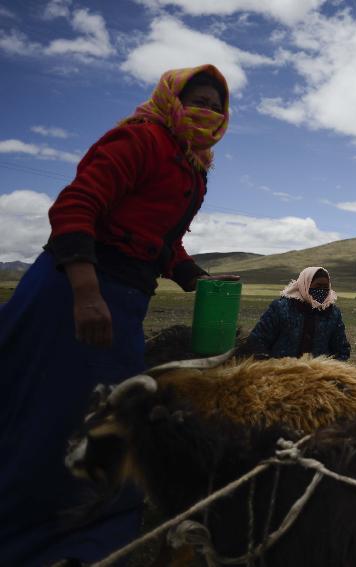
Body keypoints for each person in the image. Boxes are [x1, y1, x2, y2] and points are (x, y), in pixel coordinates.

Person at [0, 64, 237, 566]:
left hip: (126, 299)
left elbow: (163, 243)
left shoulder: (192, 166)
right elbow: (74, 207)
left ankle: (92, 537)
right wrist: (86, 293)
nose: (208, 112)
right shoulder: (141, 138)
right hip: (72, 293)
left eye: (217, 106)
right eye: (198, 99)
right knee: (55, 418)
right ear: (171, 98)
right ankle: (35, 541)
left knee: (110, 415)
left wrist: (197, 278)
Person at [246, 267, 351, 360]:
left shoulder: (332, 313)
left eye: (325, 287)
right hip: (280, 374)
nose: (322, 290)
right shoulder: (281, 308)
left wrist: (330, 370)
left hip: (318, 376)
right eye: (318, 286)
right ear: (305, 284)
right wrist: (268, 366)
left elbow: (341, 349)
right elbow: (258, 340)